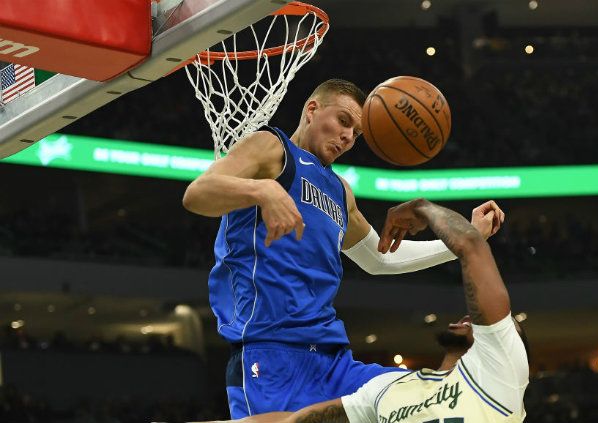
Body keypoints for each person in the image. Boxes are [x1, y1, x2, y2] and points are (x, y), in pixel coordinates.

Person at [182, 79, 503, 418]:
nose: (349, 136)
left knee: (434, 398)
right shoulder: (271, 148)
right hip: (272, 355)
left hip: (335, 362)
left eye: (357, 133)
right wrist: (264, 191)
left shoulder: (340, 191)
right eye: (344, 121)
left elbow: (378, 259)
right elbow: (198, 194)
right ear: (312, 110)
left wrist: (465, 239)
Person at [198, 198, 529, 423]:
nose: (474, 317)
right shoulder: (390, 387)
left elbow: (469, 247)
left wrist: (422, 207)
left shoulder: (501, 377)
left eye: (504, 325)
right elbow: (294, 421)